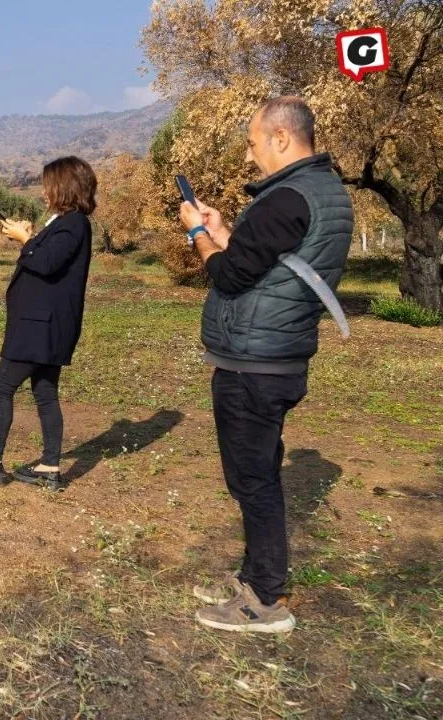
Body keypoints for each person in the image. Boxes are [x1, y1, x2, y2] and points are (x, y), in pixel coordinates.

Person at [179, 96, 352, 633]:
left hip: (255, 363)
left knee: (252, 479)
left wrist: (197, 234)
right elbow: (266, 263)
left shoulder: (285, 198)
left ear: (281, 138)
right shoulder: (319, 192)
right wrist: (225, 229)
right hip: (276, 355)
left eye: (253, 142)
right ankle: (255, 576)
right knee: (258, 473)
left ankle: (264, 600)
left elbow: (229, 275)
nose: (251, 154)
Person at [0, 156, 96, 491]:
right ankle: (49, 467)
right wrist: (31, 236)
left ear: (63, 187)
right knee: (45, 391)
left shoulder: (73, 223)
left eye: (48, 185)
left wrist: (24, 240)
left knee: (1, 384)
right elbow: (50, 260)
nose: (43, 191)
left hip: (40, 327)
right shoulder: (63, 222)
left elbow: (45, 263)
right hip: (43, 325)